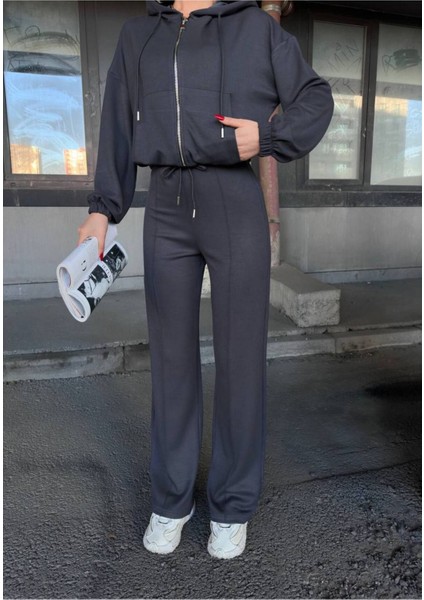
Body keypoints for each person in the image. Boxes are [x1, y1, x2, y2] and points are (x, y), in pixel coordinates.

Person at [77, 0, 334, 559]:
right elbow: (117, 122)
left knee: (240, 358)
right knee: (170, 359)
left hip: (234, 201)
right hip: (165, 206)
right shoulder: (138, 34)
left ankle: (232, 506)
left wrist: (267, 138)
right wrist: (102, 210)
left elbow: (316, 97)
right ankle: (171, 500)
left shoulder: (255, 28)